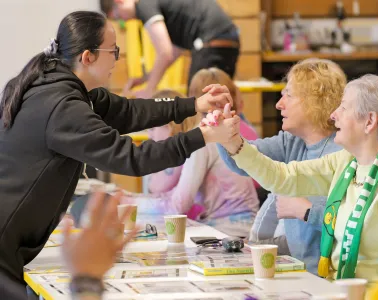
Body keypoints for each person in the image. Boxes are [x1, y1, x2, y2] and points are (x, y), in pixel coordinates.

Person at [0, 10, 237, 295]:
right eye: (113, 51)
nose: (117, 58)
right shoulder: (63, 107)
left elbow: (128, 110)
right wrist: (202, 135)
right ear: (87, 57)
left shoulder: (66, 87)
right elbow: (132, 159)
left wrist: (192, 105)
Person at [205, 74, 378, 283]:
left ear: (369, 121)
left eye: (343, 107)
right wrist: (232, 141)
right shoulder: (346, 162)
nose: (333, 115)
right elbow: (282, 177)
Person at [217, 58, 346, 274]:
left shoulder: (342, 152)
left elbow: (351, 222)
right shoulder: (291, 141)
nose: (279, 104)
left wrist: (305, 211)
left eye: (288, 95)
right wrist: (225, 135)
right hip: (299, 274)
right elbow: (243, 164)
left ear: (314, 100)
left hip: (328, 280)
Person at [124, 89, 259, 237]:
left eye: (151, 128)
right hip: (229, 225)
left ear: (170, 125)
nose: (149, 135)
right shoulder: (196, 137)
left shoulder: (200, 141)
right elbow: (168, 196)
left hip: (234, 231)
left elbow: (177, 206)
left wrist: (127, 201)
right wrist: (130, 198)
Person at [100, 0, 240, 98]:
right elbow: (174, 52)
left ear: (119, 1)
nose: (124, 20)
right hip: (227, 39)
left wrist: (149, 90)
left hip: (211, 41)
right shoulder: (164, 7)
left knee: (199, 103)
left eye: (118, 16)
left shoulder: (143, 5)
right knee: (219, 100)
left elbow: (164, 52)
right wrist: (146, 78)